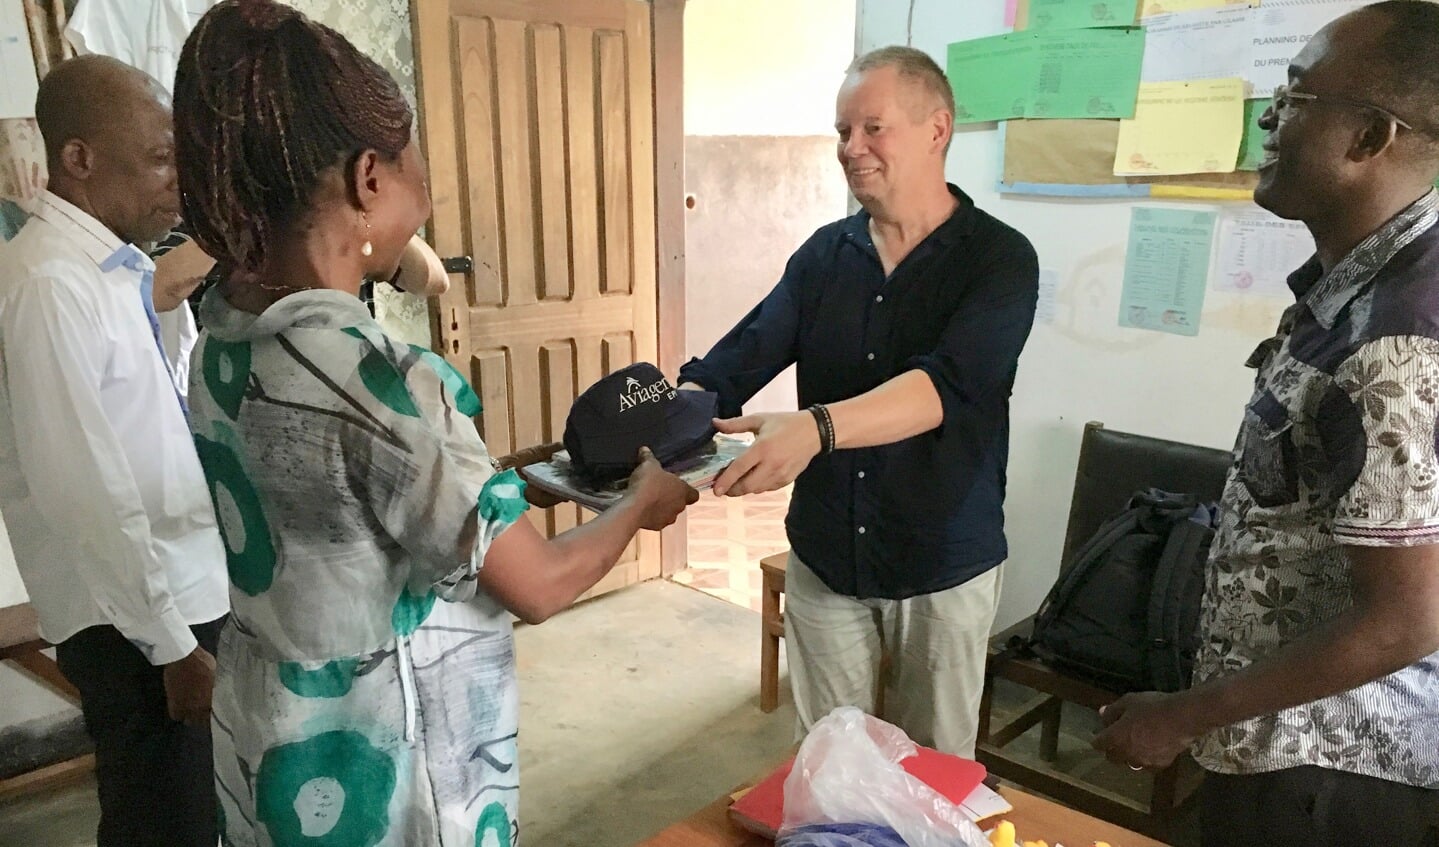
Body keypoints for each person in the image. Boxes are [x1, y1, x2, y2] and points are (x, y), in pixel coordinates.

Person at [170, 2, 696, 844]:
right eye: (416, 157)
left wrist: (500, 484)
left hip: (272, 735)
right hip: (383, 758)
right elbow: (539, 585)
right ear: (368, 178)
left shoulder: (223, 340)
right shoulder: (384, 379)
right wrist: (640, 501)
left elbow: (341, 516)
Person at [1092, 3, 1439, 844]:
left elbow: (1408, 617)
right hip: (1281, 740)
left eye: (1292, 97)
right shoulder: (1354, 292)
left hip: (1328, 767)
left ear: (1369, 137)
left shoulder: (1395, 339)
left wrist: (1182, 714)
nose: (1268, 120)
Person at [678, 45, 1038, 757]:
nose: (851, 148)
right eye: (843, 131)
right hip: (828, 556)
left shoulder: (998, 259)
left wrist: (813, 429)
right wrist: (652, 431)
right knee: (829, 760)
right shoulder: (823, 256)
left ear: (937, 129)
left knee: (933, 767)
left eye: (872, 128)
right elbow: (735, 361)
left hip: (942, 564)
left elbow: (945, 387)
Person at [0, 56, 228, 846]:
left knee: (196, 808)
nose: (176, 180)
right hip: (136, 624)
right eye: (161, 158)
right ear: (80, 159)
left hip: (175, 593)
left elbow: (154, 412)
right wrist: (172, 645)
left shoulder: (112, 270)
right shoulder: (47, 284)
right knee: (163, 821)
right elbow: (82, 487)